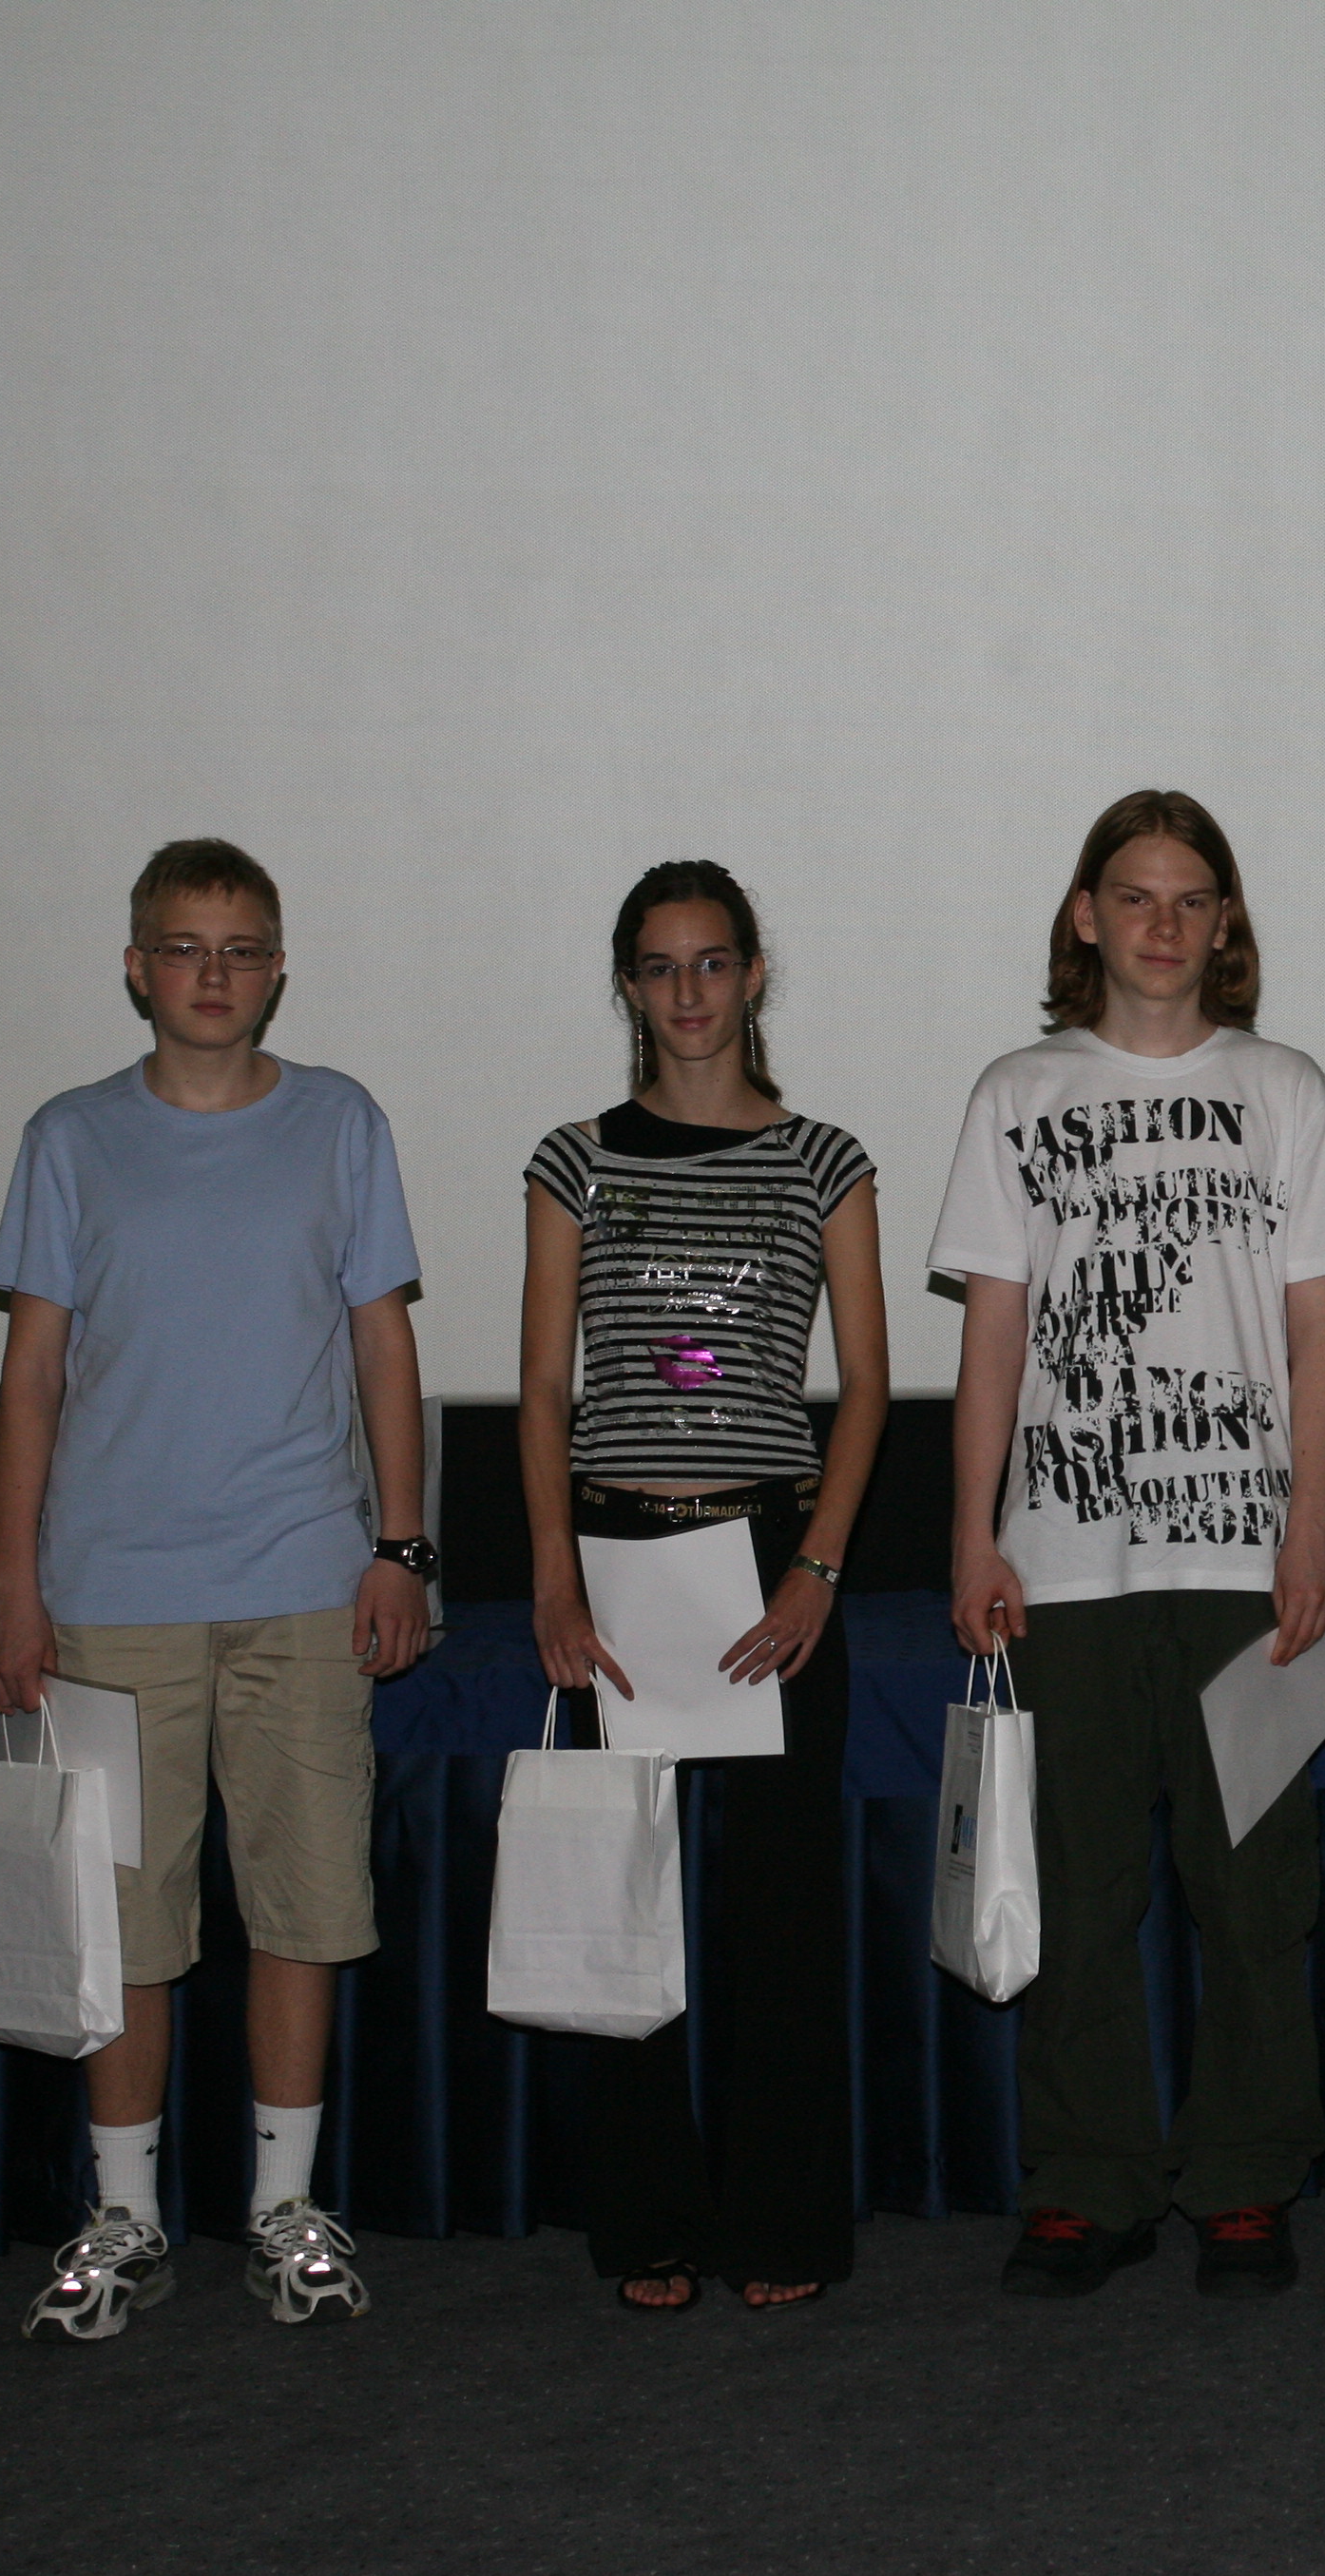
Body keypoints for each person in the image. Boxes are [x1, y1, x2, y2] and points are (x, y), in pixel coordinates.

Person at [0, 837, 432, 2341]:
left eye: (241, 949)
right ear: (137, 967)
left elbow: (383, 1346)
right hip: (109, 1594)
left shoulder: (341, 1123)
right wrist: (14, 1587)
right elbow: (31, 1377)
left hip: (305, 1579)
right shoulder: (70, 1138)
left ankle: (285, 2210)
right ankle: (125, 2216)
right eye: (185, 947)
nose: (214, 974)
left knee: (305, 1903)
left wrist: (403, 1547)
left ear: (277, 968)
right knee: (124, 1924)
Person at [932, 792, 1325, 2300]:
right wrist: (973, 1532)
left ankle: (1247, 2178)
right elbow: (993, 1336)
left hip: (1250, 1569)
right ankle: (1089, 2181)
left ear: (1225, 921)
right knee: (1080, 1892)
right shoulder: (1016, 1093)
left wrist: (1314, 1528)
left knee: (1256, 1898)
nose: (1163, 925)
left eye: (1191, 899)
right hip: (1066, 1565)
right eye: (1135, 896)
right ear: (1086, 915)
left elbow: (1322, 1336)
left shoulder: (1286, 1089)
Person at [521, 859, 886, 2313]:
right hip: (616, 1570)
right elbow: (542, 1390)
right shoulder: (573, 1161)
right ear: (628, 984)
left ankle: (782, 2225)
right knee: (625, 1913)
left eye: (713, 961)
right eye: (661, 966)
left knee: (780, 1923)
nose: (689, 992)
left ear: (753, 975)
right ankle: (647, 2220)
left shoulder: (824, 1161)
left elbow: (866, 1390)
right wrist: (554, 1581)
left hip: (767, 1573)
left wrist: (815, 1572)